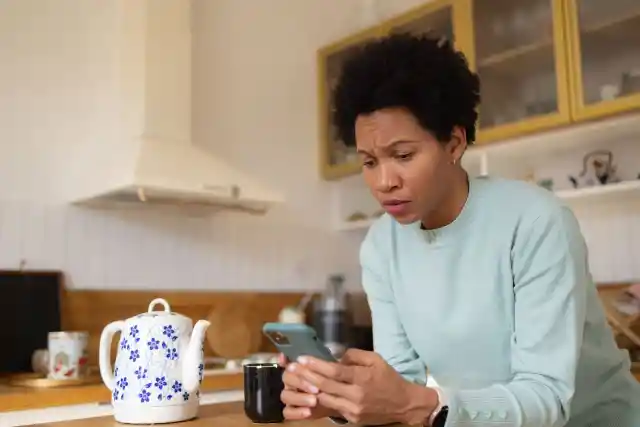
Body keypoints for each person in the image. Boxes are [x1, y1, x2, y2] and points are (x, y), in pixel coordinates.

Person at [279, 33, 640, 426]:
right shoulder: (381, 246)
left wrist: (420, 405)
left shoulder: (535, 222)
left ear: (454, 143)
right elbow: (402, 382)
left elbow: (546, 396)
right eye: (369, 162)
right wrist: (345, 402)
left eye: (403, 155)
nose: (384, 181)